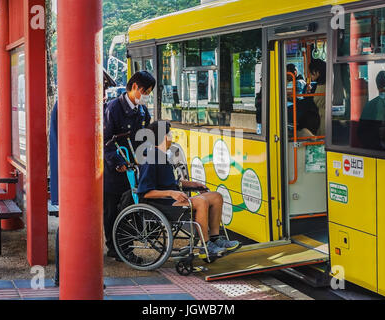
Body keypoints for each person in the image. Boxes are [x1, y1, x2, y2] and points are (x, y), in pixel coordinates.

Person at [137, 121, 242, 259]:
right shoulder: (151, 158)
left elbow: (171, 182)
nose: (171, 136)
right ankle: (206, 246)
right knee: (201, 202)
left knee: (216, 197)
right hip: (162, 204)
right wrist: (171, 193)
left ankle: (215, 238)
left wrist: (195, 184)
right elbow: (145, 192)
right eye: (169, 133)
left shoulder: (162, 156)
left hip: (172, 200)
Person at [50, 70, 116, 287]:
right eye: (102, 89)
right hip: (76, 178)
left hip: (74, 178)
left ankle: (68, 275)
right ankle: (72, 276)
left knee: (71, 225)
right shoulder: (73, 106)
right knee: (73, 226)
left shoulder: (69, 102)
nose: (104, 94)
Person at [103, 71, 156, 261]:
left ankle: (124, 248)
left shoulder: (142, 110)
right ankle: (114, 248)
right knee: (111, 210)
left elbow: (146, 137)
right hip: (114, 170)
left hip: (133, 169)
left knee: (128, 209)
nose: (147, 95)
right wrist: (118, 162)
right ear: (135, 87)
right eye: (146, 91)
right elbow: (104, 141)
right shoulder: (113, 108)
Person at [358, 70, 385, 151]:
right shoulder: (370, 106)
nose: (384, 93)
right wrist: (377, 146)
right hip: (376, 153)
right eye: (381, 90)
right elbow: (361, 133)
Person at [308, 59, 327, 135]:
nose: (310, 75)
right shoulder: (324, 83)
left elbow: (315, 101)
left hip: (324, 119)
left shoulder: (322, 86)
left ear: (317, 72)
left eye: (311, 73)